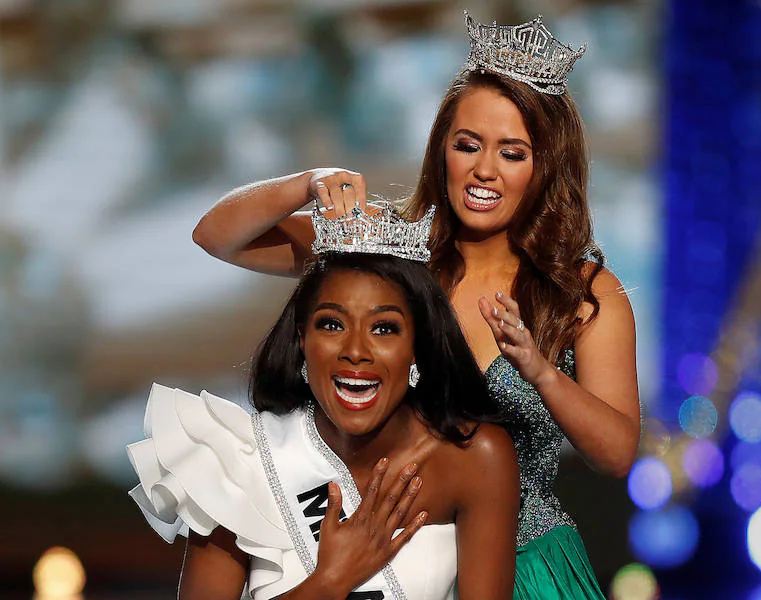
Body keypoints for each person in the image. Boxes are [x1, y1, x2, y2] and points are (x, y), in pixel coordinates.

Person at [191, 11, 641, 600]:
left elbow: (617, 453)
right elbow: (217, 236)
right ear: (441, 151)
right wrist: (308, 182)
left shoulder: (579, 292)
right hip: (395, 557)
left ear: (545, 166)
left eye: (512, 152)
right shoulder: (393, 257)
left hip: (523, 568)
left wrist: (539, 371)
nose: (484, 170)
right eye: (467, 145)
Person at [127, 205, 520, 599]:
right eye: (332, 324)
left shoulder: (474, 456)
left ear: (417, 347)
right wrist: (329, 582)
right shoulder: (240, 459)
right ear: (302, 337)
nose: (356, 351)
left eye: (384, 328)